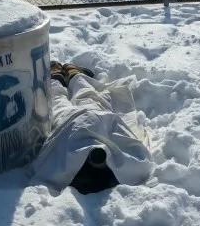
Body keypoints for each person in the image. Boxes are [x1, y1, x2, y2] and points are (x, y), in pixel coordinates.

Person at [29, 61, 155, 195]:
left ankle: (66, 75)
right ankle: (67, 75)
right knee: (74, 99)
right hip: (88, 117)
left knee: (73, 100)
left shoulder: (130, 163)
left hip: (78, 120)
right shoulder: (130, 163)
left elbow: (137, 157)